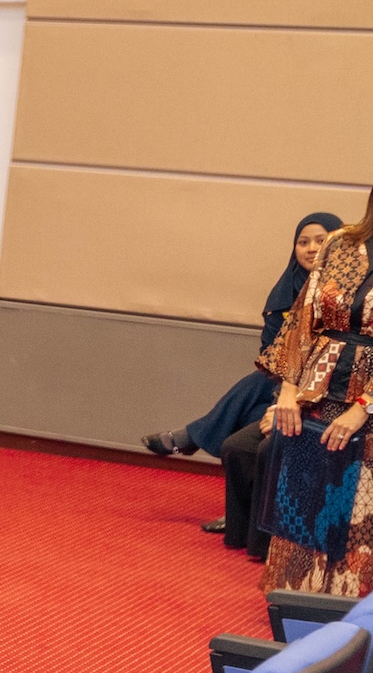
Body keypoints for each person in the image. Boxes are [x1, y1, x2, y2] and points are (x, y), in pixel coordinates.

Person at [143, 212, 340, 551]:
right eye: (303, 241)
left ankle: (193, 437)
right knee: (251, 415)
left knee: (258, 393)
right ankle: (246, 518)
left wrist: (284, 399)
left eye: (321, 240)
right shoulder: (285, 292)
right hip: (285, 387)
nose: (310, 248)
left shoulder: (346, 297)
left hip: (323, 394)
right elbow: (272, 355)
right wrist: (280, 397)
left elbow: (333, 361)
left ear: (337, 244)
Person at [263, 192, 373, 596]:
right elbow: (304, 317)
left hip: (369, 402)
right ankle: (297, 598)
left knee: (359, 506)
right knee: (307, 490)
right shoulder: (340, 243)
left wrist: (364, 408)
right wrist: (289, 389)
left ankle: (349, 608)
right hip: (317, 386)